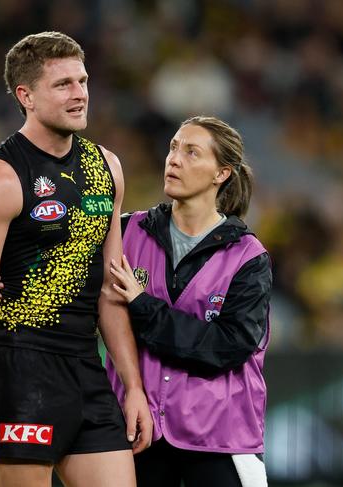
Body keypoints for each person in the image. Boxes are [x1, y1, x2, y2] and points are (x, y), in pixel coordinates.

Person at [0, 31, 152, 487]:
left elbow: (113, 289)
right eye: (63, 85)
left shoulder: (106, 168)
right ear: (26, 96)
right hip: (16, 371)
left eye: (83, 80)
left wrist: (132, 386)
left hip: (85, 369)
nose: (79, 95)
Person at [107, 116, 272, 487]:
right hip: (138, 431)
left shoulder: (248, 257)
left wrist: (142, 305)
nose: (174, 159)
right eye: (173, 148)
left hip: (221, 440)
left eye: (192, 152)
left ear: (221, 174)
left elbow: (225, 347)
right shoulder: (125, 231)